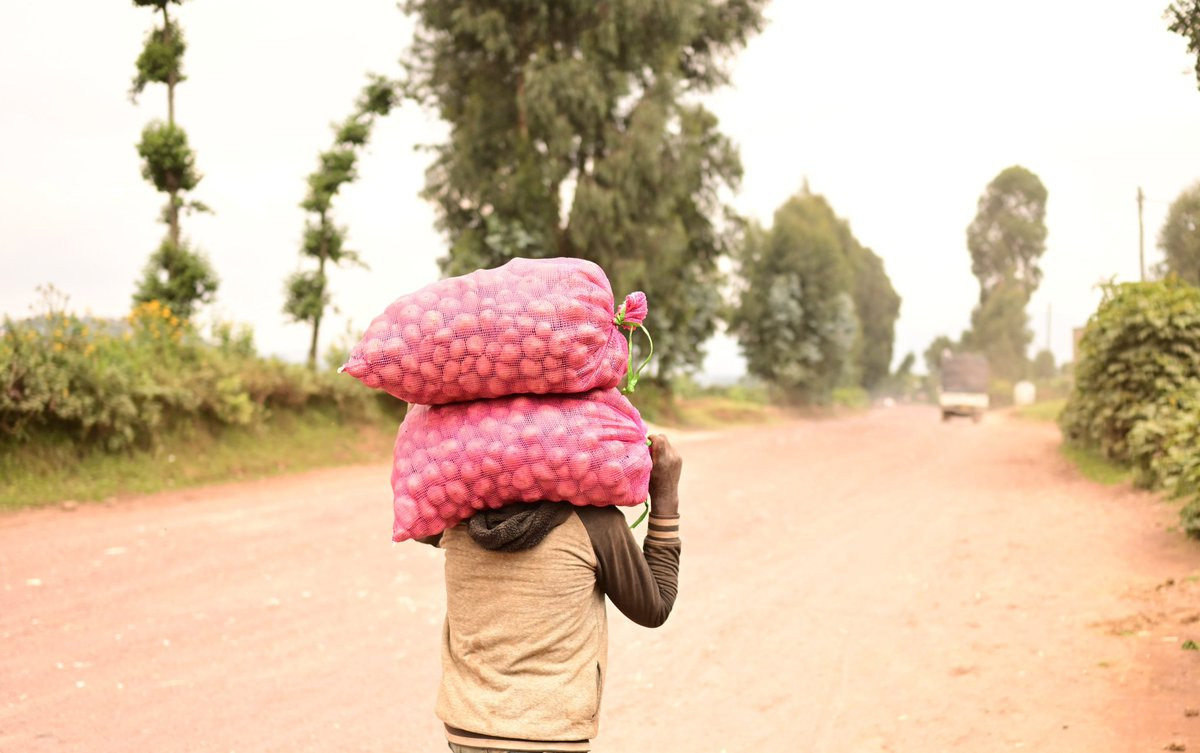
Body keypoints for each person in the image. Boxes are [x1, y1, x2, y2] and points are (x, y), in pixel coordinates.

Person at [416, 434, 684, 753]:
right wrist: (666, 498)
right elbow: (655, 608)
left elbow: (419, 511)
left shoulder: (457, 519)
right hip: (550, 734)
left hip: (467, 729)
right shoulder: (595, 523)